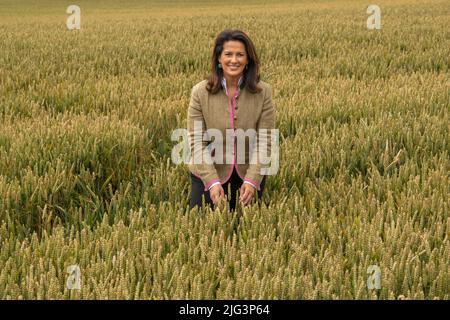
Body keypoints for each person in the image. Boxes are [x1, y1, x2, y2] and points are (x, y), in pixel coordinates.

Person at [187, 29, 276, 211]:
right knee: (200, 222)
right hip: (208, 171)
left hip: (249, 170)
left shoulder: (263, 92)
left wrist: (252, 180)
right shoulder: (199, 92)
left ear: (248, 59)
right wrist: (211, 182)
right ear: (219, 59)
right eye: (228, 54)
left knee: (249, 225)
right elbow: (196, 142)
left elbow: (265, 140)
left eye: (240, 55)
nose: (234, 60)